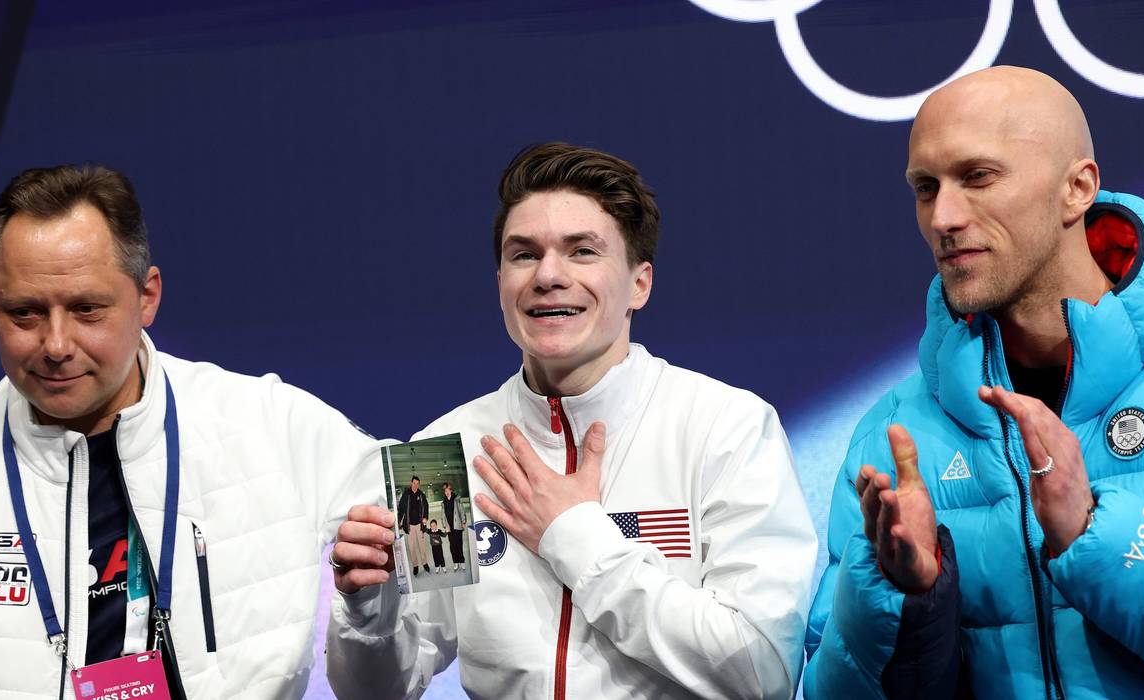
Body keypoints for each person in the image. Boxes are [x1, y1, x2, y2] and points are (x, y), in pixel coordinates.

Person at [326, 142, 817, 699]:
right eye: (523, 254)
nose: (548, 275)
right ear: (500, 285)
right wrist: (368, 610)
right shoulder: (443, 454)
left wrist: (575, 536)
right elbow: (379, 691)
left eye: (582, 251)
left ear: (640, 283)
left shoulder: (725, 428)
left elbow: (762, 672)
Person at [0, 165, 385, 699]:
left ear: (147, 296)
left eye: (87, 309)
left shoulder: (268, 424)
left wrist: (474, 554)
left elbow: (431, 502)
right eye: (25, 313)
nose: (56, 343)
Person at [803, 66, 1144, 698]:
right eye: (925, 188)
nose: (943, 216)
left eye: (978, 177)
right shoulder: (894, 430)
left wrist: (1092, 532)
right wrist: (905, 600)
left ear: (1078, 189)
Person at [397, 475, 429, 574]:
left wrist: (425, 517)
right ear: (411, 483)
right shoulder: (406, 494)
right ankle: (415, 565)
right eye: (414, 483)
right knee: (411, 546)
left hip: (419, 524)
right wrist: (399, 520)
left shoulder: (421, 494)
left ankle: (425, 563)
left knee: (422, 545)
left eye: (417, 484)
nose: (416, 485)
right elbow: (401, 509)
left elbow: (426, 507)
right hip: (409, 525)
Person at [440, 481, 466, 571]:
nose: (447, 492)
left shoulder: (456, 499)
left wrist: (463, 521)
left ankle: (461, 561)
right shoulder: (444, 502)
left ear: (451, 490)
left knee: (459, 544)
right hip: (449, 527)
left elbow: (462, 510)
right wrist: (445, 525)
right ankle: (455, 562)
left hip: (457, 525)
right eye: (445, 491)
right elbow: (443, 515)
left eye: (448, 490)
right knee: (452, 545)